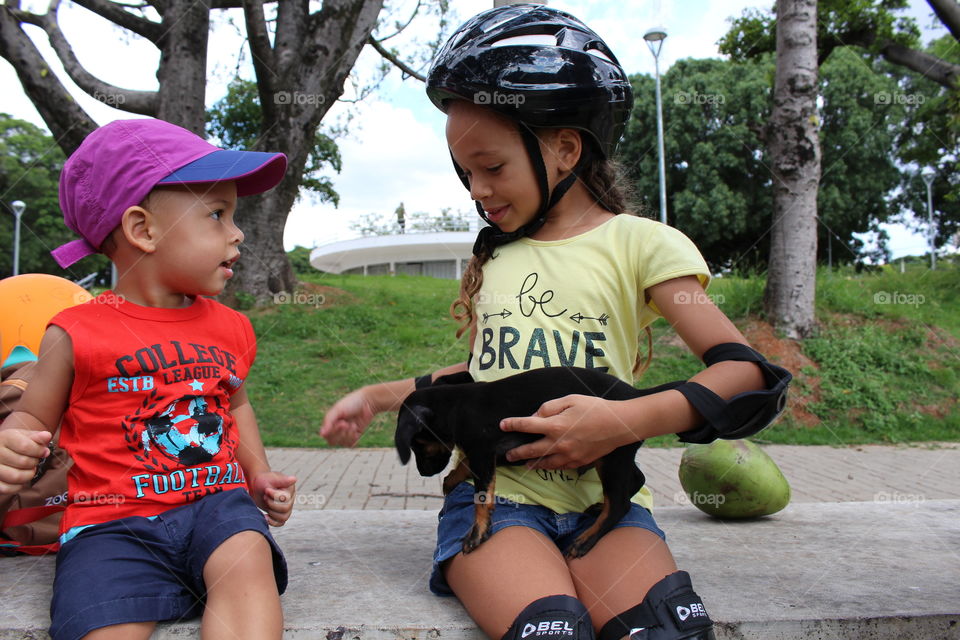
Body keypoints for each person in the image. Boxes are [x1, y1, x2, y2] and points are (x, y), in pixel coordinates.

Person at [321, 5, 790, 640]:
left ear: (565, 148)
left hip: (607, 504)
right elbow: (493, 381)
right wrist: (377, 399)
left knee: (666, 632)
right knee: (552, 630)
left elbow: (745, 372)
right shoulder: (499, 255)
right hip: (498, 503)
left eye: (492, 167)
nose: (477, 190)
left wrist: (624, 419)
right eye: (465, 173)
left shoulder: (643, 246)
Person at [0, 118, 297, 640]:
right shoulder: (74, 332)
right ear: (143, 229)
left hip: (216, 507)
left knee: (248, 562)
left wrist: (258, 474)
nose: (237, 233)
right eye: (217, 214)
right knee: (100, 618)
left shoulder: (231, 328)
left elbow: (237, 406)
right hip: (108, 525)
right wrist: (10, 443)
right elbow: (30, 413)